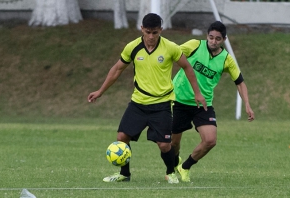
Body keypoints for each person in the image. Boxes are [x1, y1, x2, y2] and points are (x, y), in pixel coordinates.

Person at [87, 13, 206, 184]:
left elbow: (187, 68)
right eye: (148, 32)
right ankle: (124, 174)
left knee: (165, 145)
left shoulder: (170, 48)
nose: (151, 36)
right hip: (138, 103)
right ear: (142, 29)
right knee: (122, 137)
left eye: (155, 32)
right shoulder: (132, 47)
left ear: (161, 31)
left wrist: (197, 93)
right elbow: (117, 69)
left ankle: (170, 172)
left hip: (162, 104)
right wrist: (100, 91)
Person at [171, 21, 255, 182]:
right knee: (173, 144)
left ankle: (185, 166)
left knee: (210, 140)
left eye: (217, 39)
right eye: (211, 37)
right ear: (207, 36)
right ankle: (175, 163)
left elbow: (240, 82)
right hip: (179, 100)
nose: (213, 41)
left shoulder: (226, 60)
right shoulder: (194, 45)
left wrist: (247, 104)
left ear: (223, 39)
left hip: (203, 104)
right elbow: (172, 54)